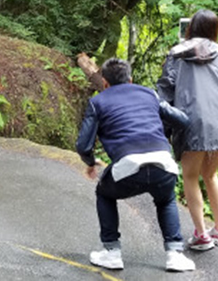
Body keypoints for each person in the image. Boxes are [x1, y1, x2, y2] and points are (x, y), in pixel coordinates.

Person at [76, 58, 196, 272]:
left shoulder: (98, 102)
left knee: (104, 193)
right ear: (130, 80)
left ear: (104, 82)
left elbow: (83, 144)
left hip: (128, 166)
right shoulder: (149, 93)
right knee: (166, 199)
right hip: (163, 162)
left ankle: (112, 252)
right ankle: (174, 254)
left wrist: (91, 162)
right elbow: (183, 120)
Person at [157, 9, 218, 251]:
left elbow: (166, 88)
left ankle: (202, 235)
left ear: (190, 28)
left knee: (191, 177)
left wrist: (164, 125)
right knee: (211, 175)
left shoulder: (177, 53)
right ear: (214, 30)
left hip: (191, 119)